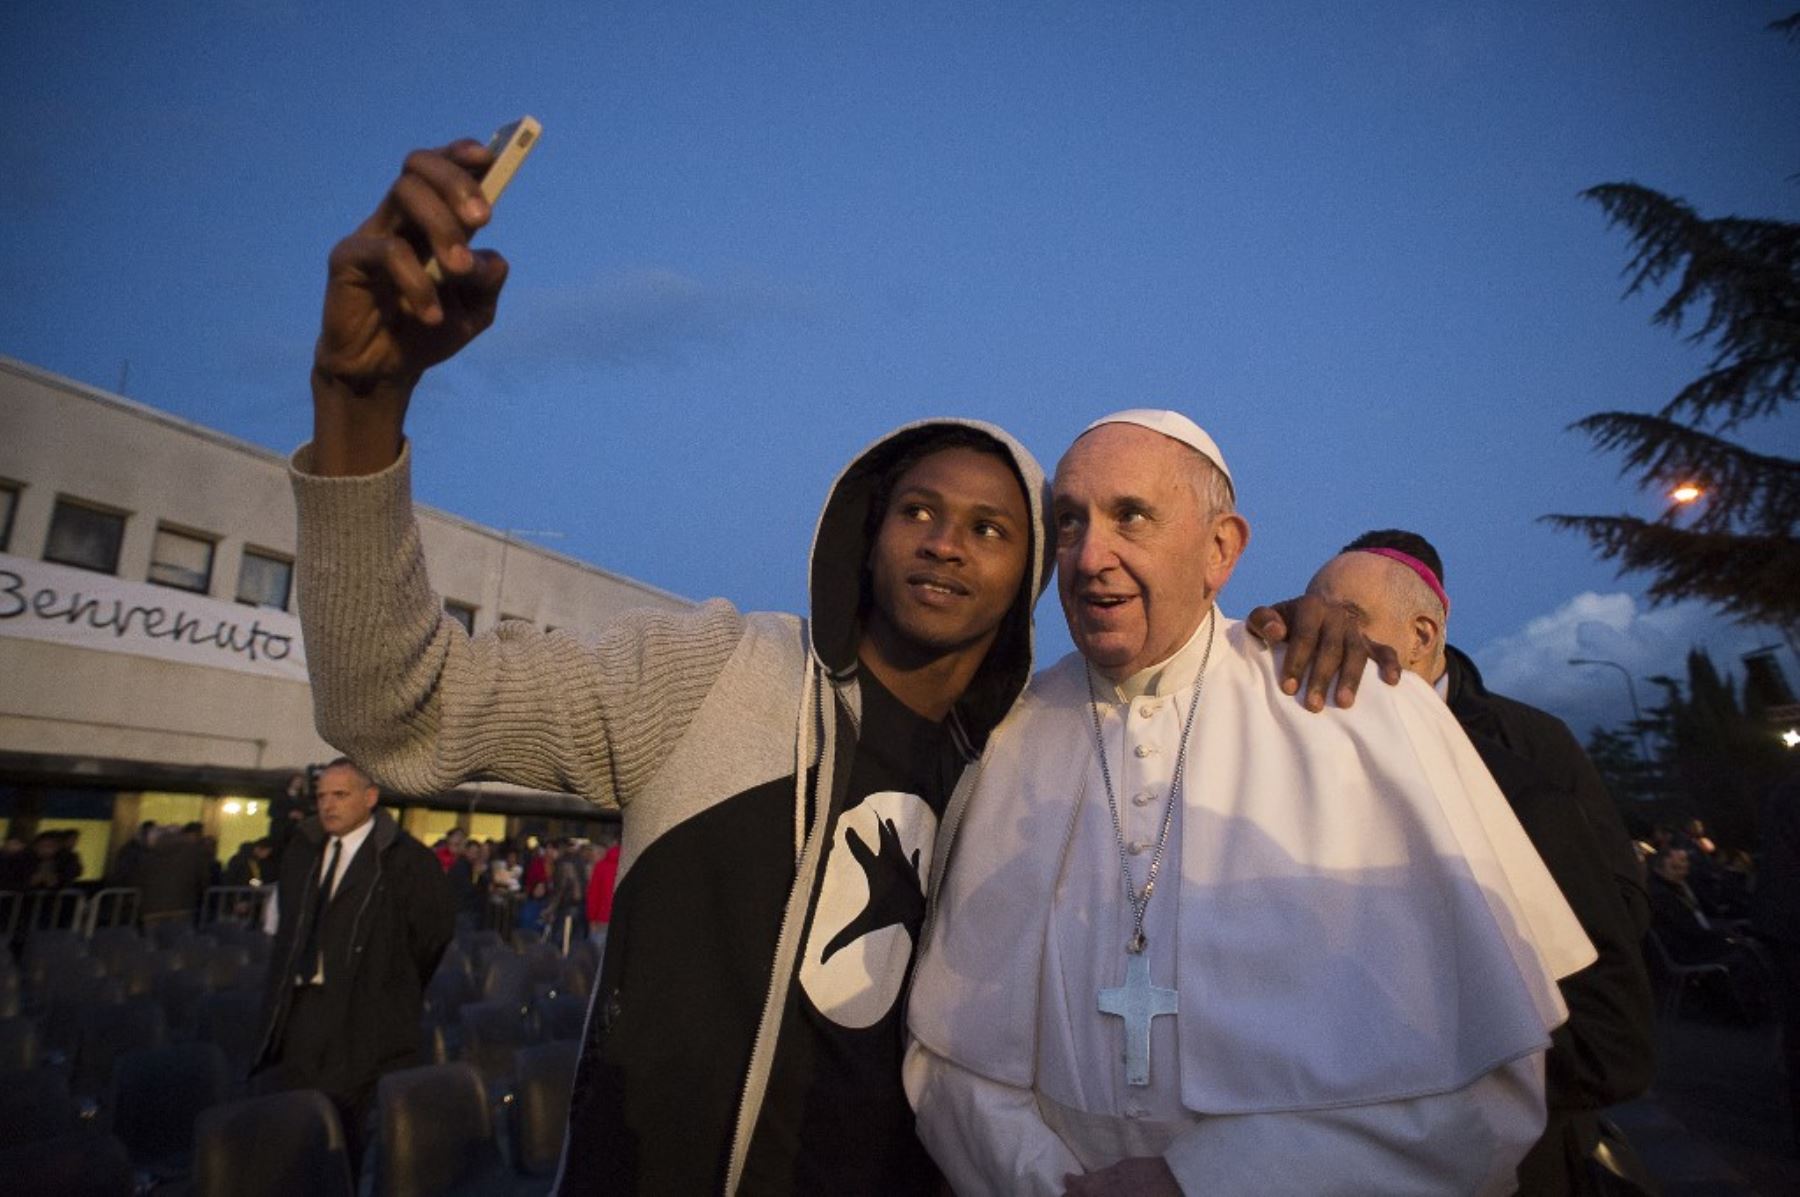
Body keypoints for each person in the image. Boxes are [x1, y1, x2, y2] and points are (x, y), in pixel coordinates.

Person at [289, 137, 1380, 1194]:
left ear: (1032, 575)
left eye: (994, 529)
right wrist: (359, 407)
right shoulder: (709, 676)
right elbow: (400, 713)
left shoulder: (1032, 767)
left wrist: (1261, 640)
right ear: (866, 530)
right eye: (919, 510)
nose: (947, 542)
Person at [906, 411, 1595, 1196]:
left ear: (1221, 548)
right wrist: (1042, 1180)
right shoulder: (1006, 732)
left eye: (1131, 515)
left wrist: (1206, 1182)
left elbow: (1486, 1096)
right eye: (1070, 521)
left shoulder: (1360, 708)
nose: (1091, 556)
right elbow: (946, 1058)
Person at [1305, 530, 1655, 1195]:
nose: (1322, 639)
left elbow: (1607, 1001)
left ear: (1421, 632)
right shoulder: (1308, 737)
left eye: (1345, 620)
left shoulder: (1526, 756)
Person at [250, 757, 453, 1167]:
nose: (328, 805)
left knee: (344, 1137)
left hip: (365, 1016)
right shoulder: (303, 850)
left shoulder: (406, 862)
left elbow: (430, 939)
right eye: (322, 795)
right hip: (303, 1011)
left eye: (340, 795)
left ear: (370, 797)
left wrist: (390, 984)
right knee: (298, 1128)